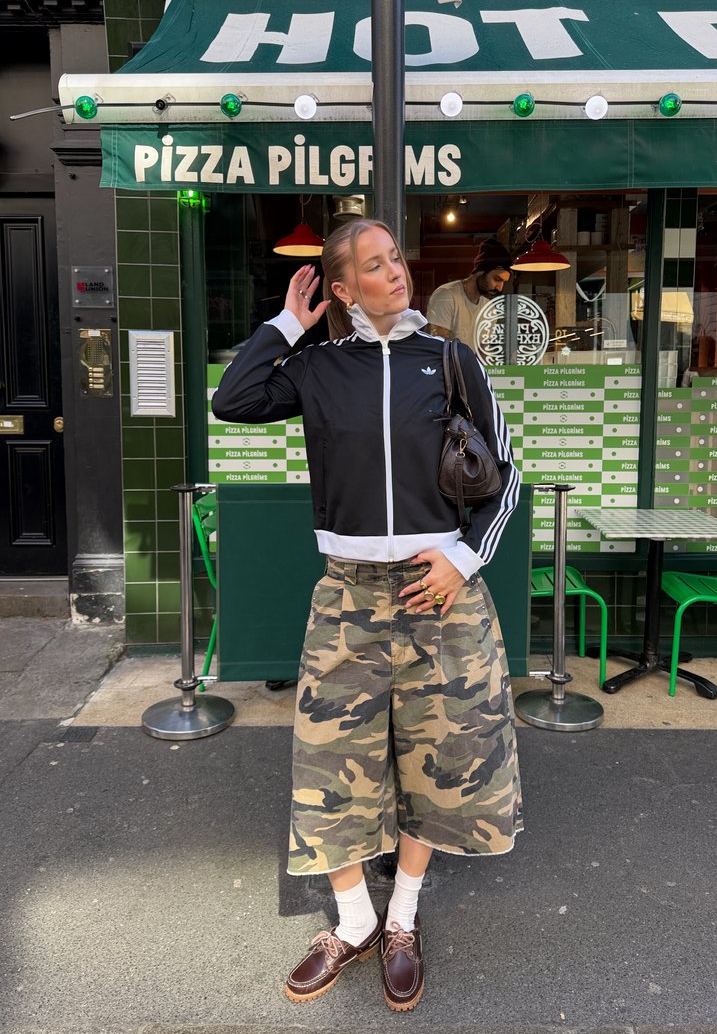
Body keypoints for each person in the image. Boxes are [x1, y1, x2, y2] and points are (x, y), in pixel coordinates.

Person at [211, 219, 522, 1013]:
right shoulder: (317, 369)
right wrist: (288, 323)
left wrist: (465, 556)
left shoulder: (452, 360)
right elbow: (234, 398)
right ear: (344, 288)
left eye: (396, 259)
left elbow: (509, 470)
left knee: (441, 761)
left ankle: (403, 918)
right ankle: (353, 920)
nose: (396, 273)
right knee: (327, 763)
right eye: (375, 265)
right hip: (347, 593)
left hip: (441, 592)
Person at [425, 235, 512, 347]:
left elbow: (483, 352)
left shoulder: (489, 308)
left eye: (503, 282)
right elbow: (438, 347)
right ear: (481, 272)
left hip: (470, 364)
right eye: (497, 279)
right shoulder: (447, 296)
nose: (500, 287)